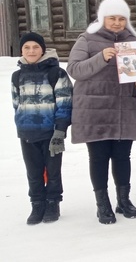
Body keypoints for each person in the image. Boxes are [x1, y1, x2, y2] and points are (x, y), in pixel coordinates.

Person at [67, 0, 136, 224]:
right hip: (95, 110)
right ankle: (102, 204)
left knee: (123, 158)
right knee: (99, 158)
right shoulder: (87, 39)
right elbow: (74, 69)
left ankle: (124, 200)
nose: (116, 23)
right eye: (112, 18)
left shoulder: (132, 42)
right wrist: (101, 57)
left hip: (124, 110)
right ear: (103, 18)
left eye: (121, 19)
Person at [12, 32, 73, 224]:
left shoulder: (56, 73)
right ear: (22, 50)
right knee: (33, 171)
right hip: (27, 132)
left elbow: (65, 103)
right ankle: (37, 203)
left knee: (53, 170)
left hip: (51, 132)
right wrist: (21, 124)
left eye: (35, 47)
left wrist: (60, 130)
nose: (31, 51)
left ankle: (53, 202)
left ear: (43, 49)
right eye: (27, 48)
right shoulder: (17, 76)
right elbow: (16, 103)